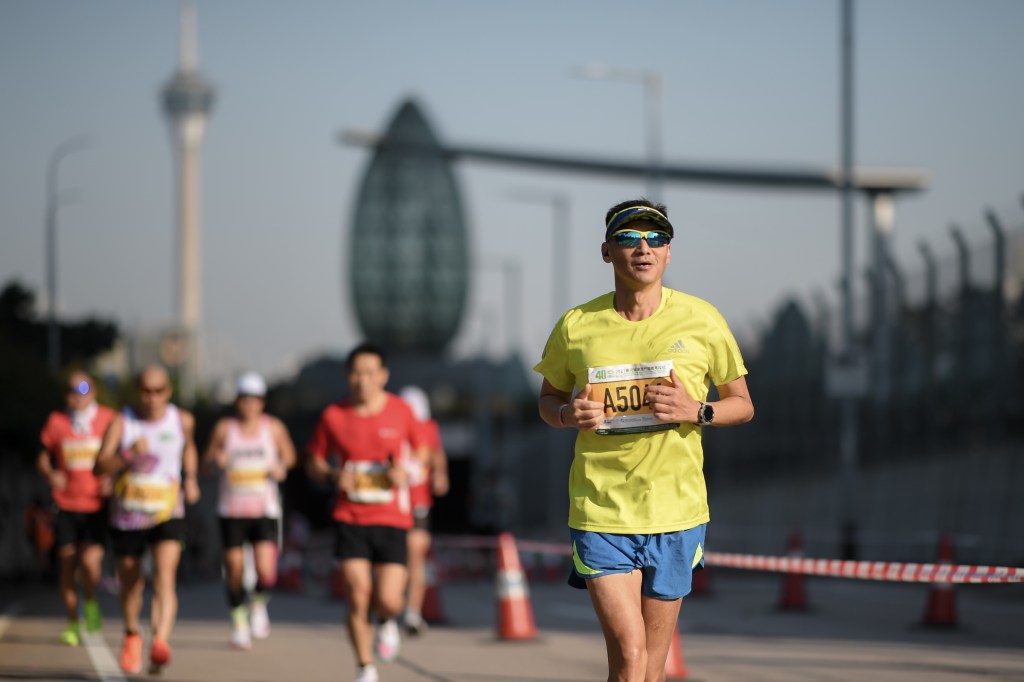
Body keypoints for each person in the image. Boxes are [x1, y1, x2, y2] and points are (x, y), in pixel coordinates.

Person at [533, 199, 754, 682]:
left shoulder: (702, 319)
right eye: (628, 239)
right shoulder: (577, 325)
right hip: (601, 511)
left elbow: (742, 404)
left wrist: (697, 410)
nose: (643, 248)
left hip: (677, 511)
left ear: (669, 252)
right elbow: (548, 400)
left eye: (656, 239)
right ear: (606, 251)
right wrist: (568, 414)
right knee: (630, 655)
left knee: (649, 669)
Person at [306, 343, 428, 682]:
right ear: (348, 376)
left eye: (370, 373)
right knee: (357, 594)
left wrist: (406, 472)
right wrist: (332, 476)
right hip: (350, 517)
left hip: (392, 519)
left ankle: (387, 620)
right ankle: (365, 666)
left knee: (389, 599)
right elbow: (313, 461)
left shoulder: (402, 411)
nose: (363, 380)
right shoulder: (333, 415)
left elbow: (423, 453)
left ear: (383, 375)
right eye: (356, 374)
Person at [94, 365, 200, 675]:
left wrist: (191, 477)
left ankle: (160, 641)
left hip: (168, 510)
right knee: (131, 583)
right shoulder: (122, 422)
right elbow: (99, 466)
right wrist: (127, 456)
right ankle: (131, 635)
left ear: (168, 392)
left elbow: (189, 448)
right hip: (129, 514)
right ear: (137, 392)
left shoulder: (182, 420)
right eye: (145, 391)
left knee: (165, 577)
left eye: (158, 391)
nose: (152, 398)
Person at [203, 371, 296, 650]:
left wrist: (281, 467)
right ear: (237, 401)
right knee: (234, 570)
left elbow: (290, 456)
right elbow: (206, 462)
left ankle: (257, 603)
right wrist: (216, 461)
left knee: (267, 571)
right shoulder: (225, 428)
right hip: (231, 510)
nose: (249, 404)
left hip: (264, 509)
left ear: (262, 402)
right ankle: (238, 621)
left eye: (254, 399)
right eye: (244, 399)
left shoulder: (273, 428)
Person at [37, 370, 115, 646]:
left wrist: (113, 479)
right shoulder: (56, 421)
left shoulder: (108, 419)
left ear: (93, 392)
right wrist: (50, 474)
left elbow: (122, 456)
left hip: (96, 505)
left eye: (83, 389)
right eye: (71, 390)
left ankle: (90, 600)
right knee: (67, 565)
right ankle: (72, 622)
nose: (77, 396)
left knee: (90, 563)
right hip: (66, 504)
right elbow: (42, 456)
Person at [397, 385, 449, 635]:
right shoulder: (391, 425)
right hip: (391, 502)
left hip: (418, 501)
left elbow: (437, 454)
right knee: (395, 561)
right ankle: (392, 607)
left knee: (415, 558)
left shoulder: (429, 427)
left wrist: (440, 474)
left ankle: (412, 613)